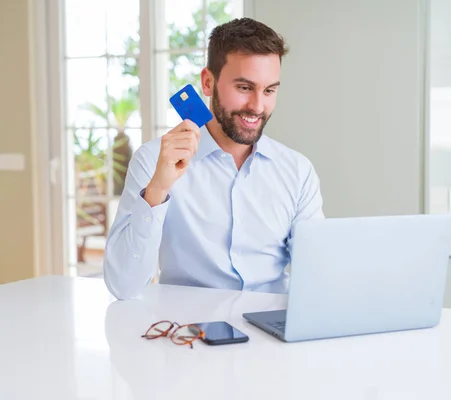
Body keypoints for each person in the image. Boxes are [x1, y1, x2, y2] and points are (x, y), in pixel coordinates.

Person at [103, 17, 324, 300]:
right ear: (208, 82)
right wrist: (157, 190)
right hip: (190, 334)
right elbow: (123, 286)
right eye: (244, 87)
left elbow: (316, 273)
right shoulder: (152, 161)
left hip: (274, 333)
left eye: (269, 90)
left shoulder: (297, 171)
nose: (257, 106)